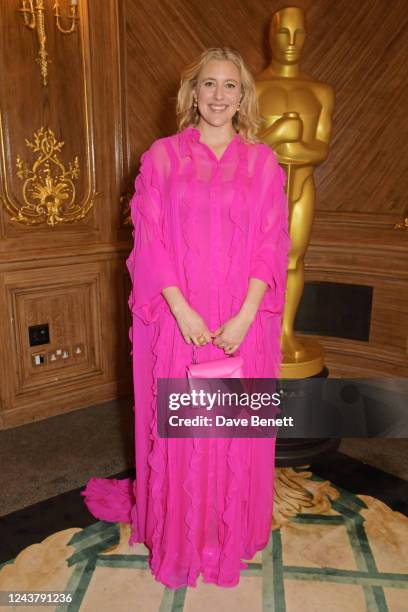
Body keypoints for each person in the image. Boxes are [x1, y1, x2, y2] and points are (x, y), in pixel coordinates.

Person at [81, 47, 291, 589]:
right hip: (179, 320)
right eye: (209, 85)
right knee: (184, 428)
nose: (219, 96)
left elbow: (272, 242)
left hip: (245, 320)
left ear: (243, 95)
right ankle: (184, 535)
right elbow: (149, 242)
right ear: (192, 92)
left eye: (230, 86)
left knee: (233, 430)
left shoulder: (263, 162)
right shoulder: (161, 158)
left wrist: (246, 315)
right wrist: (180, 309)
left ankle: (228, 534)